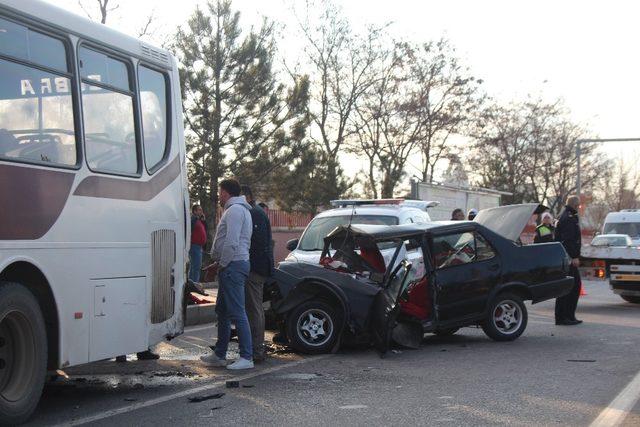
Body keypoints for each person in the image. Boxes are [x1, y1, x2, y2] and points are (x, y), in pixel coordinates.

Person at [200, 178, 254, 370]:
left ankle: (246, 357)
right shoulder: (237, 210)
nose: (218, 197)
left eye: (219, 193)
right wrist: (219, 264)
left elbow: (231, 243)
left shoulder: (236, 211)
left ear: (225, 193)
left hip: (233, 266)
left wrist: (220, 265)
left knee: (237, 312)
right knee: (222, 311)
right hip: (231, 265)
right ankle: (220, 354)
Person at [240, 185, 274, 362]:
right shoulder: (256, 212)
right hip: (257, 267)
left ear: (246, 196)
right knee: (254, 308)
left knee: (254, 309)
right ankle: (255, 347)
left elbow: (255, 244)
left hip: (255, 269)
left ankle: (257, 349)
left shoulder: (254, 213)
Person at [554, 195, 583, 326]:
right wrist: (574, 256)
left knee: (570, 286)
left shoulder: (566, 215)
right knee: (571, 286)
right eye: (579, 205)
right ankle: (564, 317)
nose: (580, 207)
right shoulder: (569, 218)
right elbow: (569, 240)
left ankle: (568, 316)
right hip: (568, 258)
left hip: (564, 257)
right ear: (575, 205)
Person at [189, 204, 207, 283]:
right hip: (194, 246)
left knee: (195, 266)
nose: (201, 211)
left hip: (199, 246)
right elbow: (189, 231)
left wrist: (203, 221)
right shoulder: (193, 220)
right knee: (195, 267)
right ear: (194, 211)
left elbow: (205, 229)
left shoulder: (198, 220)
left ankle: (193, 283)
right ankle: (194, 284)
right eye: (199, 210)